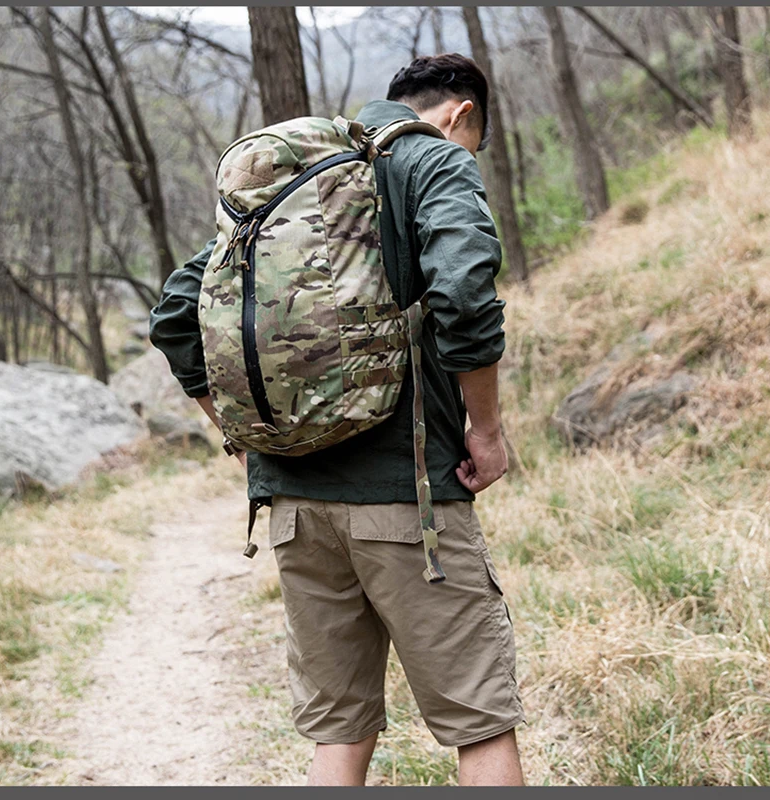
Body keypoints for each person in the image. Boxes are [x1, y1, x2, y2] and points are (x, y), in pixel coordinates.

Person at [150, 53, 525, 787]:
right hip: (406, 502)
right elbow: (465, 301)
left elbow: (174, 315)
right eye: (474, 140)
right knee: (479, 722)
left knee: (340, 734)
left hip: (292, 508)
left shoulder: (302, 181)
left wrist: (239, 435)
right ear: (463, 115)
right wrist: (485, 431)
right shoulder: (432, 161)